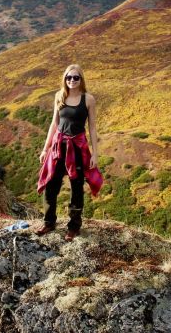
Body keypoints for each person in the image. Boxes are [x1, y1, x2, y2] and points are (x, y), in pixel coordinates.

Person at [36, 64, 103, 240]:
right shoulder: (59, 96)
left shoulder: (88, 99)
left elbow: (93, 127)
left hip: (78, 148)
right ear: (64, 79)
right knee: (51, 185)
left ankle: (73, 227)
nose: (72, 80)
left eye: (75, 77)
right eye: (68, 77)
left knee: (76, 188)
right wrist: (45, 148)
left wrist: (95, 154)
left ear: (81, 79)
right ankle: (48, 223)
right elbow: (54, 123)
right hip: (59, 147)